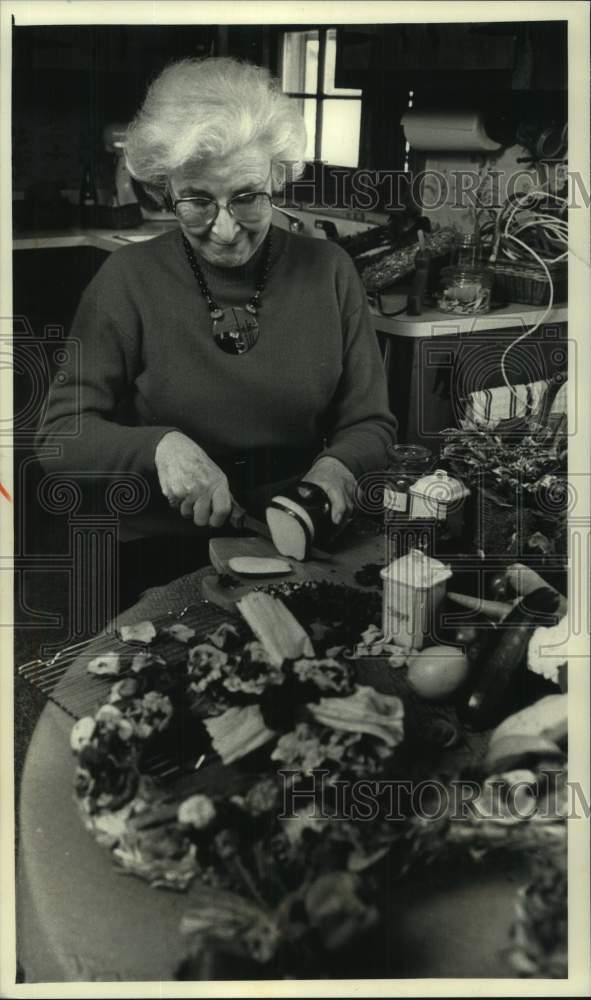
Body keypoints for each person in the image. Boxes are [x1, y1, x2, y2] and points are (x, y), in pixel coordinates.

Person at [35, 57, 397, 607]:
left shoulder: (330, 271)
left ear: (277, 175)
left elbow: (369, 422)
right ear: (163, 189)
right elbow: (57, 437)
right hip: (156, 550)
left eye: (248, 196)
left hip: (294, 539)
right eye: (198, 201)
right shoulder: (126, 281)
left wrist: (337, 468)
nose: (225, 229)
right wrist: (159, 448)